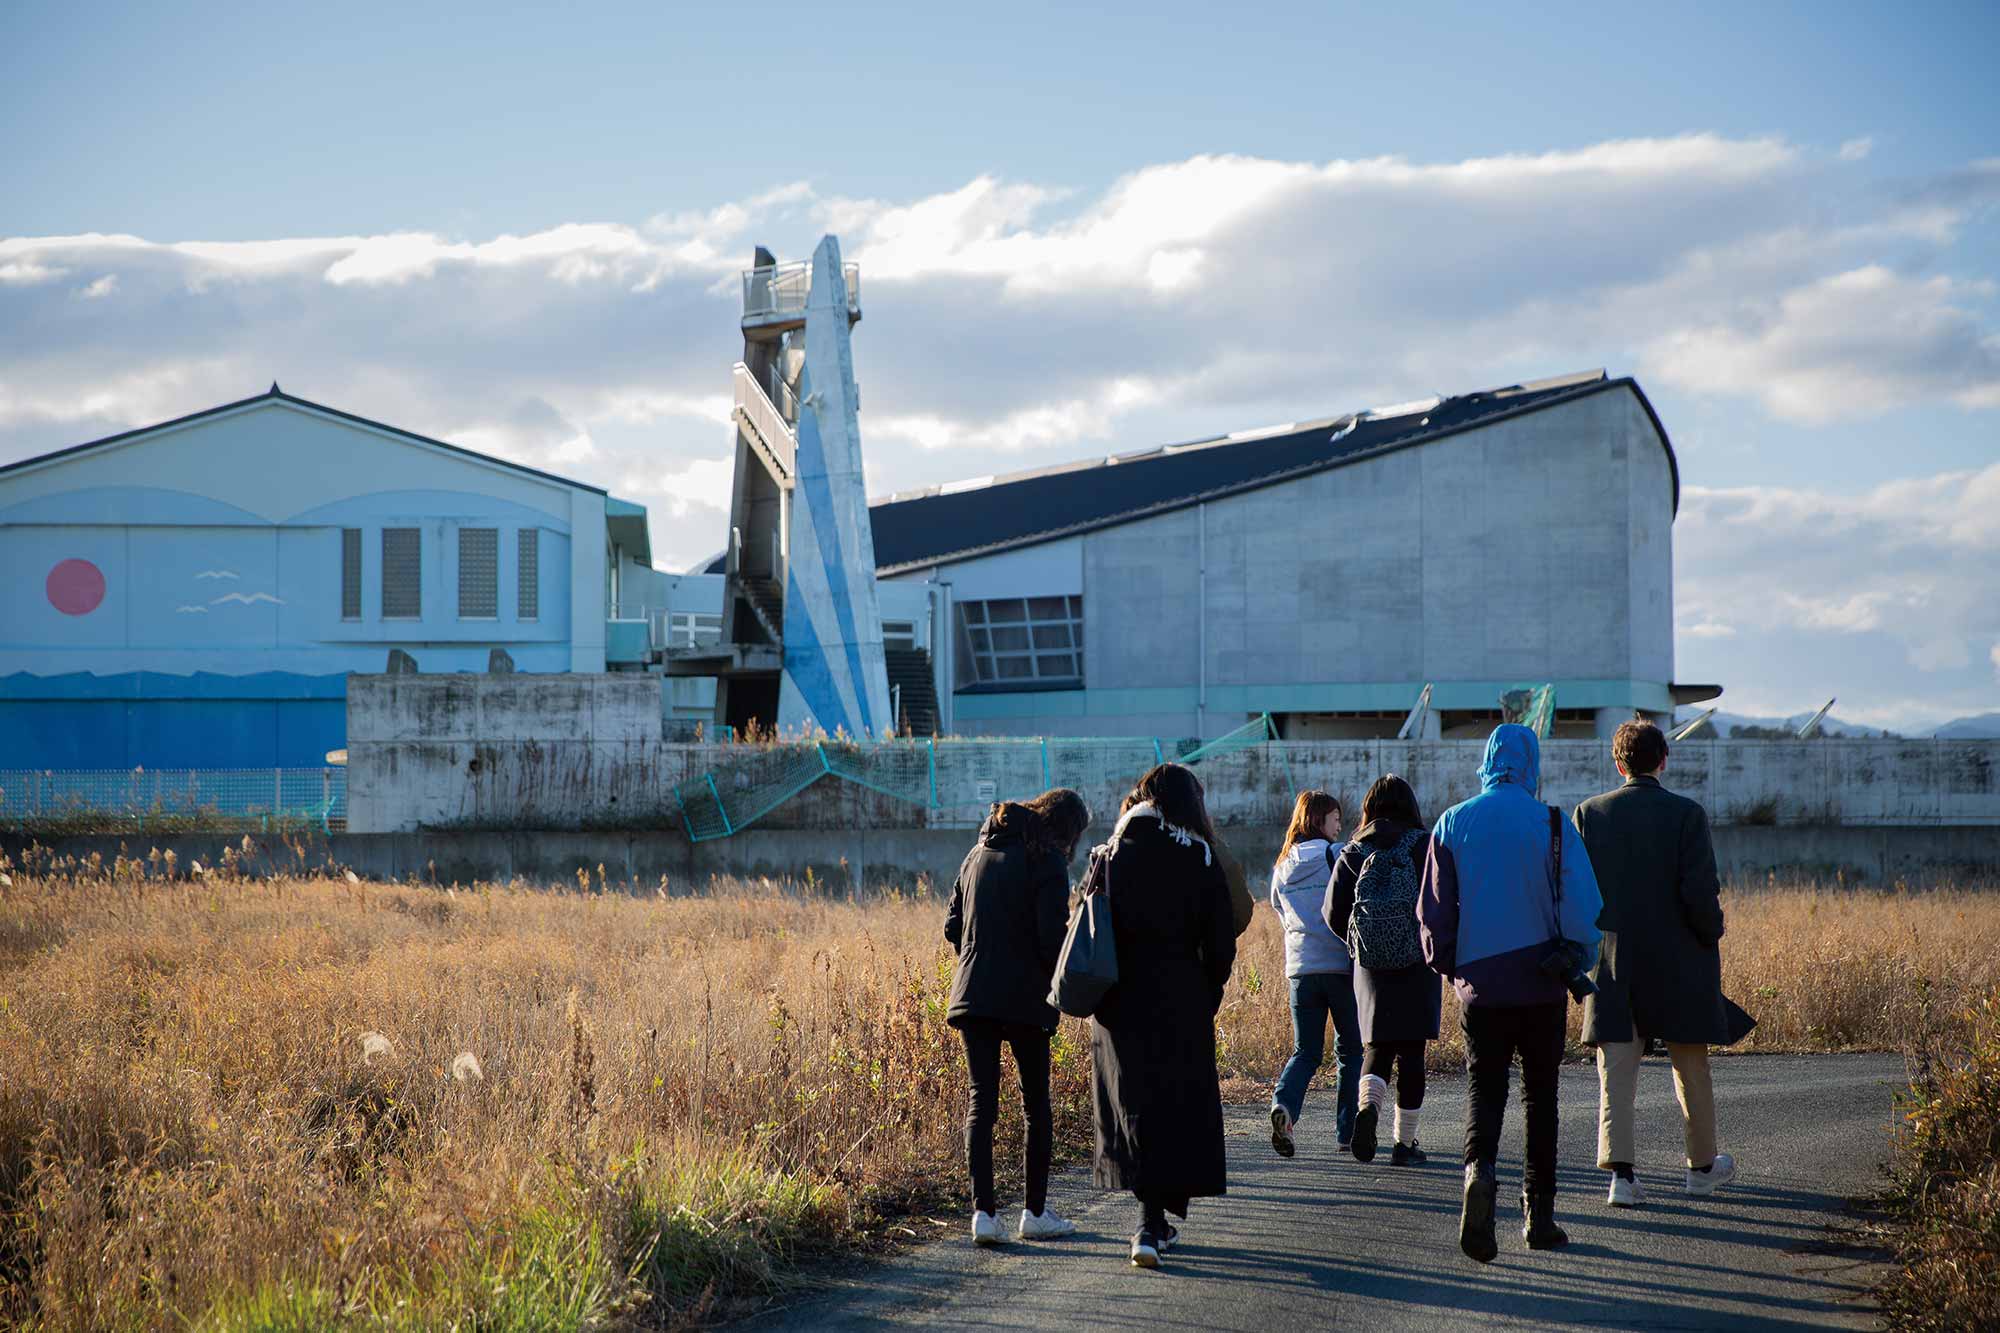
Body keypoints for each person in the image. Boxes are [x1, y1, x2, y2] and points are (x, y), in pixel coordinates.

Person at [1418, 724, 1602, 1263]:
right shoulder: (1551, 822)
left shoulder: (1452, 822)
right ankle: (1538, 1215)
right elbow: (1585, 908)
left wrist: (1455, 970)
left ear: (1487, 761)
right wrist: (1576, 958)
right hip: (1542, 982)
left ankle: (1479, 1171)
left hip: (1481, 987)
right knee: (1540, 1098)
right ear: (1530, 763)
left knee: (1485, 1092)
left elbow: (1432, 914)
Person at [1573, 718, 1744, 1208]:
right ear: (1663, 760)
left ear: (1618, 762)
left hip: (1613, 958)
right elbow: (1699, 891)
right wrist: (1711, 931)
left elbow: (1580, 895)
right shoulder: (1687, 815)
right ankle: (1701, 1167)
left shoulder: (1589, 814)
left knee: (1617, 1067)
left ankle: (1622, 1177)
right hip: (1679, 957)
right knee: (1690, 1064)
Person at [1092, 763, 1238, 1269]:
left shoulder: (1109, 854)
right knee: (1175, 1103)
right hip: (1179, 998)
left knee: (1135, 1103)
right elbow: (1221, 941)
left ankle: (1150, 1220)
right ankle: (1151, 1223)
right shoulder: (1198, 855)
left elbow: (1087, 927)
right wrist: (1208, 991)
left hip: (1117, 1003)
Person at [945, 787, 1092, 1246]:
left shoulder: (976, 854)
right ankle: (1034, 1213)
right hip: (1027, 998)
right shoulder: (1046, 860)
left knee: (981, 1103)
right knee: (1035, 1106)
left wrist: (982, 955)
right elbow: (1052, 939)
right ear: (1066, 830)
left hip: (975, 995)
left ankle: (984, 1216)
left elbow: (952, 926)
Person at [1325, 774, 1440, 1167]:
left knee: (1375, 1047)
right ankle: (1404, 1146)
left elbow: (1332, 912)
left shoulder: (1354, 851)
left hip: (1370, 967)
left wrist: (1361, 943)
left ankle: (1368, 1110)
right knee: (1411, 1052)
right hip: (1417, 961)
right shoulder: (1425, 846)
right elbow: (1442, 901)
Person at [1267, 789, 1363, 1158]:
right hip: (1339, 966)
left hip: (1301, 971)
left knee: (1305, 1051)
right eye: (1335, 819)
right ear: (1318, 820)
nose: (1339, 826)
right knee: (1350, 1051)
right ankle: (1347, 1132)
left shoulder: (1282, 865)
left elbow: (1280, 913)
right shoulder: (1336, 855)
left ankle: (1285, 1107)